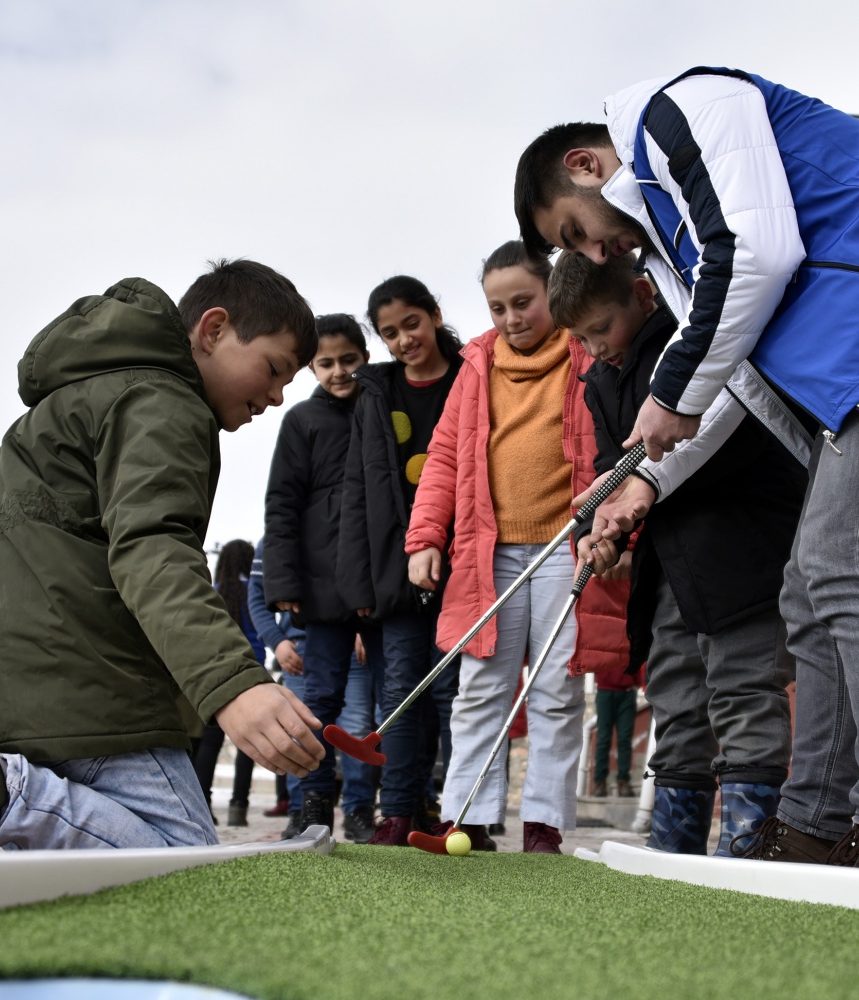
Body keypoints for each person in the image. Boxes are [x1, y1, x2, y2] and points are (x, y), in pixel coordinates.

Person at [516, 67, 859, 874]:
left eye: (573, 232)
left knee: (853, 562)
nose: (595, 252)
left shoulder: (679, 110)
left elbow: (759, 257)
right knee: (809, 580)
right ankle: (815, 824)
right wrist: (645, 482)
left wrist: (667, 391)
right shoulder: (672, 240)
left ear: (588, 167)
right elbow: (738, 381)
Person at [0, 261, 326, 853]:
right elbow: (153, 549)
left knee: (82, 857)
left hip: (0, 670)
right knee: (187, 861)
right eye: (274, 369)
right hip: (85, 678)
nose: (277, 397)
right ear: (213, 329)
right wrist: (232, 684)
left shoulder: (81, 393)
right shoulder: (164, 400)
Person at [551, 251, 802, 855]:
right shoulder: (600, 381)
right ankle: (675, 850)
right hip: (670, 569)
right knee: (676, 699)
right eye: (580, 338)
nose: (594, 348)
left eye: (600, 329)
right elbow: (615, 470)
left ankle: (749, 849)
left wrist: (634, 497)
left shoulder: (693, 346)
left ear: (642, 295)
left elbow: (730, 438)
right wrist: (596, 529)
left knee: (744, 691)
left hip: (742, 552)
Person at [405, 243, 629, 854]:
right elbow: (445, 457)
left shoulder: (588, 354)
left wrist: (614, 531)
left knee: (558, 689)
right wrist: (425, 537)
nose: (510, 318)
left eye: (523, 302)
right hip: (489, 553)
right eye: (497, 306)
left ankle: (544, 826)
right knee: (481, 686)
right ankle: (466, 820)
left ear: (552, 294)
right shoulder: (476, 364)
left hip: (567, 548)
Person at [337, 275, 466, 845]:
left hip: (466, 562)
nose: (404, 339)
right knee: (401, 693)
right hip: (397, 569)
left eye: (411, 324)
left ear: (434, 316)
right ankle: (399, 814)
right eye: (390, 333)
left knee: (458, 695)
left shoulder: (473, 376)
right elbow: (357, 490)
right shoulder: (375, 394)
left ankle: (465, 814)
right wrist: (360, 587)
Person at [263, 314, 382, 844]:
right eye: (326, 363)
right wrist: (284, 588)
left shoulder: (382, 407)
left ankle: (371, 809)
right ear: (312, 366)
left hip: (384, 582)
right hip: (324, 589)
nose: (338, 372)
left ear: (365, 355)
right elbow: (281, 504)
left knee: (390, 700)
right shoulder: (301, 422)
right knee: (322, 703)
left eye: (348, 360)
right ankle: (311, 806)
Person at [190, 538, 263, 825]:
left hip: (216, 671)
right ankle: (238, 808)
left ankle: (202, 805)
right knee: (248, 742)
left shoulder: (213, 592)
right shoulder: (253, 592)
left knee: (210, 743)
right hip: (251, 670)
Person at [247, 538, 296, 819]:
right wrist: (277, 641)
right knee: (296, 731)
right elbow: (256, 596)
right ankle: (299, 808)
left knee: (357, 725)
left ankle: (356, 810)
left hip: (353, 647)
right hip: (294, 650)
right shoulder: (272, 541)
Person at [590, 665, 638, 799]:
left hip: (627, 692)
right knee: (603, 738)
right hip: (605, 691)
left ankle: (623, 781)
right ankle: (600, 782)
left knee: (625, 739)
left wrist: (638, 681)